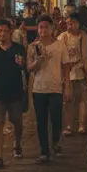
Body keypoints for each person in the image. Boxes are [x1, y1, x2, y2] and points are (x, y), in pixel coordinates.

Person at [27, 14, 70, 162]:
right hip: (39, 88)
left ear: (52, 28)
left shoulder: (59, 45)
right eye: (40, 27)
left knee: (56, 118)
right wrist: (37, 62)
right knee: (41, 120)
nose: (43, 30)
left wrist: (67, 86)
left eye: (46, 27)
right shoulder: (33, 47)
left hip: (56, 87)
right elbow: (29, 67)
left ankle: (55, 140)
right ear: (37, 29)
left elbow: (65, 66)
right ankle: (44, 150)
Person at [0, 18, 28, 167]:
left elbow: (25, 69)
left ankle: (17, 143)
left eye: (4, 31)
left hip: (16, 91)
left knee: (17, 120)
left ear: (11, 32)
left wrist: (22, 66)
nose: (1, 34)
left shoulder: (19, 49)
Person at [61, 12, 87, 136]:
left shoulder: (82, 36)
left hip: (79, 70)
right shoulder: (63, 36)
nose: (69, 26)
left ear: (78, 24)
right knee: (69, 99)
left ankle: (82, 125)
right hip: (67, 71)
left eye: (71, 23)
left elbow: (85, 55)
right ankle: (68, 125)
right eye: (67, 23)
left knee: (82, 99)